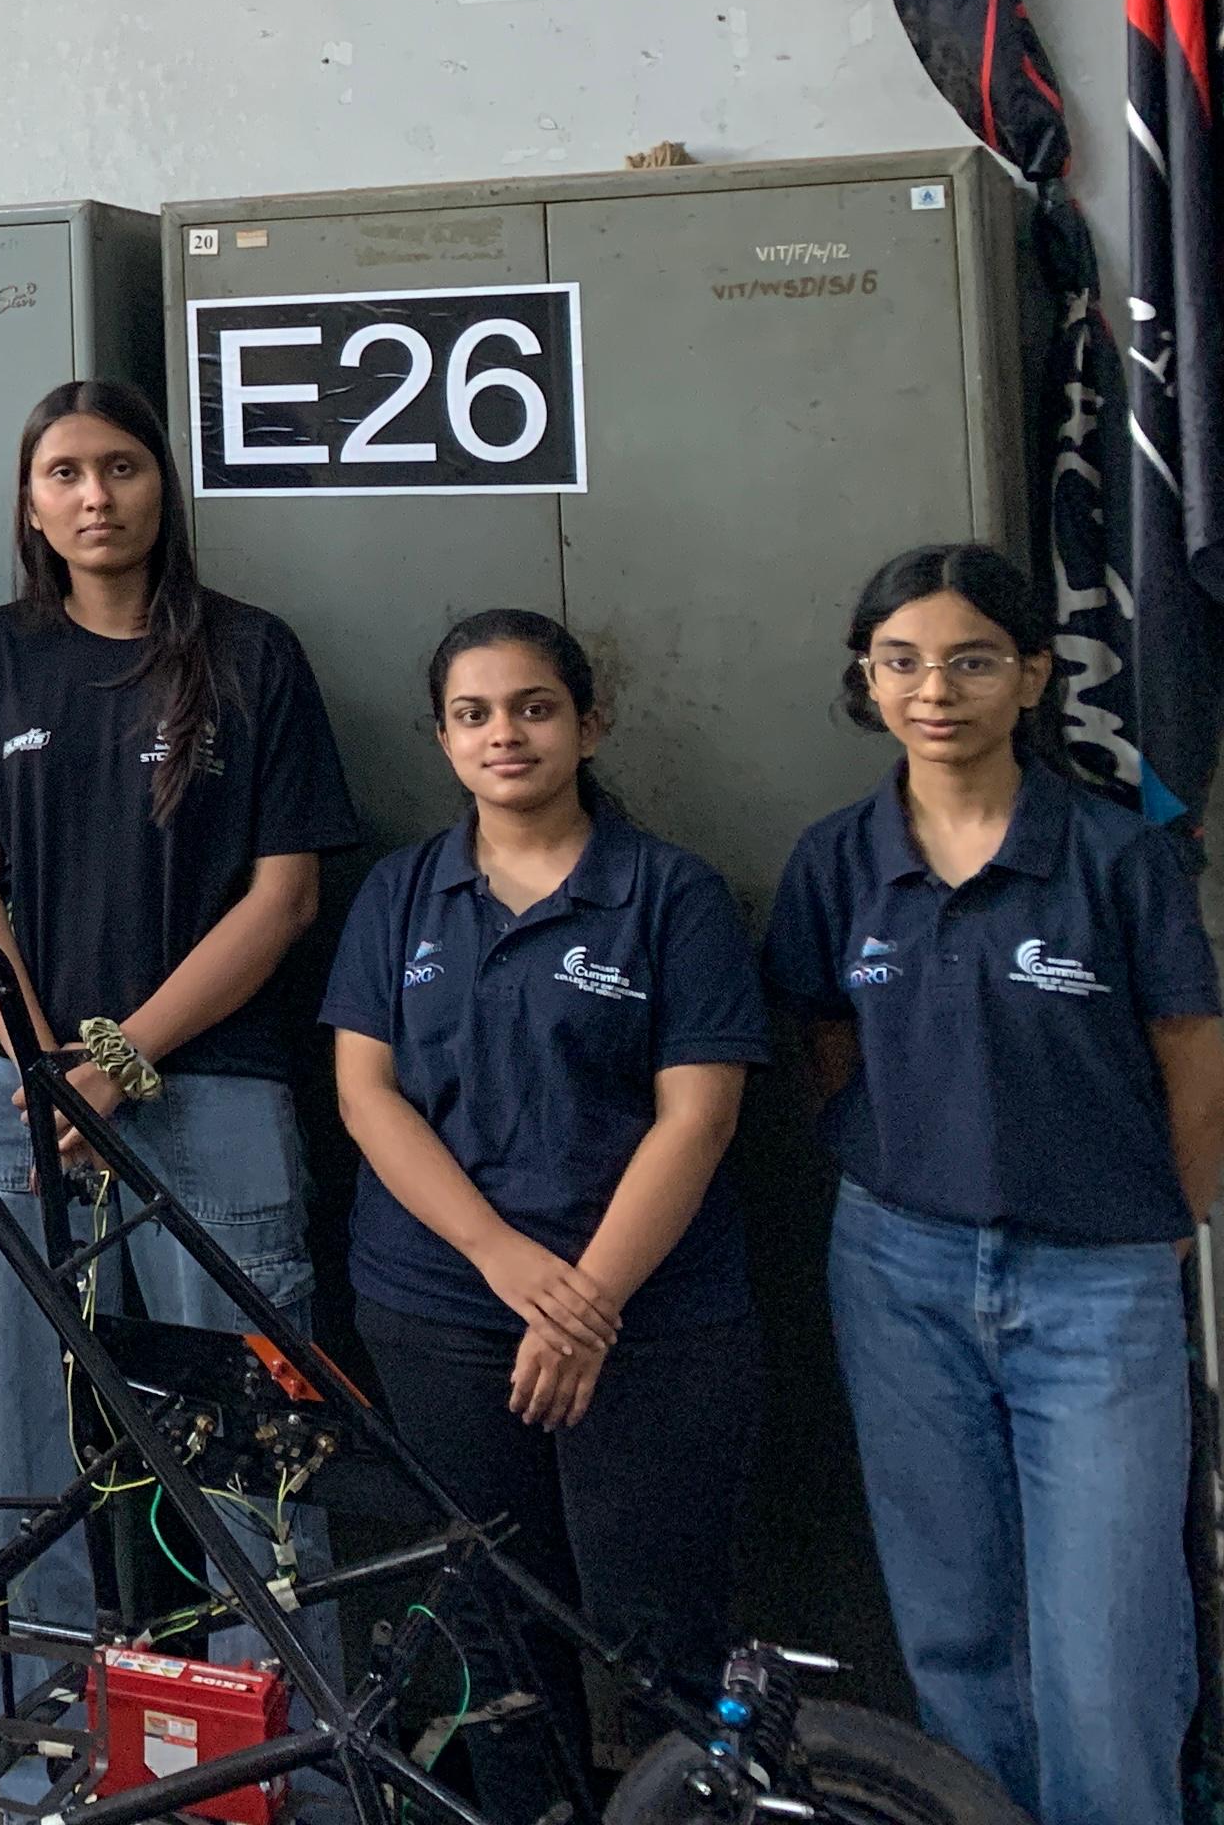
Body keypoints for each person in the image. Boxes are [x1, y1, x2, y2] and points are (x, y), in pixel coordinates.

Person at [765, 543, 1224, 1825]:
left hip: (1099, 1288)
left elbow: (1195, 1055)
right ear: (867, 679)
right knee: (956, 1627)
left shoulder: (1117, 858)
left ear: (1031, 676)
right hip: (897, 1270)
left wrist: (1162, 1223)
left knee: (1107, 1645)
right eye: (901, 661)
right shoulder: (835, 862)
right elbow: (825, 1042)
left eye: (972, 660)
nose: (935, 689)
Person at [0, 379, 358, 1684]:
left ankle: (287, 1763)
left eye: (118, 467)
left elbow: (283, 898)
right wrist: (39, 1058)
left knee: (251, 1463)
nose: (93, 496)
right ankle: (45, 1756)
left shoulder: (251, 653)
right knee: (25, 1449)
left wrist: (111, 1067)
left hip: (208, 1096)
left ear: (162, 487)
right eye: (62, 473)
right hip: (15, 1092)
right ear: (30, 503)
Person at [323, 609, 764, 1815]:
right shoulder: (402, 895)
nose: (503, 735)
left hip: (654, 1322)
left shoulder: (670, 893)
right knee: (490, 1630)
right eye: (473, 715)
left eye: (533, 708)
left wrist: (587, 1305)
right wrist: (502, 1259)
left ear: (588, 723)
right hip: (440, 1312)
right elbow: (366, 1095)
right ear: (442, 739)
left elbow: (699, 1118)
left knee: (665, 1627)